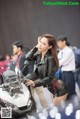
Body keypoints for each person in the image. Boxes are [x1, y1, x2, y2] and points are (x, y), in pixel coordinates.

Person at [24, 34, 68, 105]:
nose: (40, 45)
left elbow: (50, 78)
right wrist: (36, 47)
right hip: (52, 89)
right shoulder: (39, 56)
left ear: (49, 46)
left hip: (60, 89)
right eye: (40, 42)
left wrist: (35, 83)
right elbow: (28, 57)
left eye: (43, 44)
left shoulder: (50, 59)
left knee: (57, 112)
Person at [57, 35, 76, 99]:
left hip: (68, 74)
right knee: (65, 93)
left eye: (59, 42)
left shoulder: (69, 51)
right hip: (62, 74)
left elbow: (60, 62)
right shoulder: (60, 52)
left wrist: (58, 62)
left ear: (64, 42)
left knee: (71, 93)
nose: (58, 44)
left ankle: (77, 107)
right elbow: (57, 60)